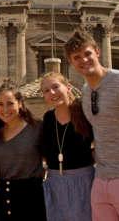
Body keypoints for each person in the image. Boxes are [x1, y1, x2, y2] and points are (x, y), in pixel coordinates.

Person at [65, 30, 119, 221]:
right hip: (101, 179)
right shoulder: (86, 91)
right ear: (71, 62)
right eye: (77, 57)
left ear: (97, 51)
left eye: (87, 53)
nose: (84, 60)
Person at [40, 72, 95, 220]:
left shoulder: (84, 113)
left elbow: (102, 139)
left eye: (55, 87)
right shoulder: (48, 118)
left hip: (84, 182)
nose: (51, 93)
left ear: (68, 87)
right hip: (55, 183)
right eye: (46, 90)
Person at [0, 80, 45, 221]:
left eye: (10, 103)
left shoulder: (37, 128)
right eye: (0, 104)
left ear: (20, 104)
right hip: (4, 198)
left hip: (33, 199)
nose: (5, 109)